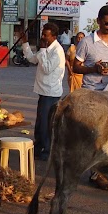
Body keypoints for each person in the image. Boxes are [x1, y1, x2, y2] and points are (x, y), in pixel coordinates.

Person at [73, 5, 108, 190]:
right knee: (95, 136)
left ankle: (103, 168)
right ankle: (96, 173)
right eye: (107, 23)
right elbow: (76, 67)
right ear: (98, 21)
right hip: (92, 94)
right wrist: (93, 69)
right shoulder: (87, 42)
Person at [21, 22, 65, 161]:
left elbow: (46, 69)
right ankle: (39, 147)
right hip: (43, 90)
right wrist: (25, 44)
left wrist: (43, 50)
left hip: (51, 92)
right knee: (41, 122)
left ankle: (46, 151)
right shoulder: (45, 49)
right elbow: (32, 59)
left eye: (46, 35)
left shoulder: (57, 51)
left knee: (47, 124)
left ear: (54, 36)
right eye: (43, 34)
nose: (43, 37)